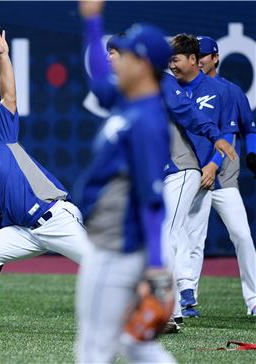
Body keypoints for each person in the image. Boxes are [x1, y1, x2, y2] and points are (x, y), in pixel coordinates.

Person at [0, 25, 90, 333]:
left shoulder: (1, 140)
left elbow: (9, 95)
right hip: (26, 233)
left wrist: (4, 56)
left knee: (99, 264)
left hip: (55, 218)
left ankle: (153, 310)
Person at [105, 34, 237, 328]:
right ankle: (166, 307)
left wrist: (215, 136)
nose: (109, 57)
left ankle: (167, 309)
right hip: (159, 176)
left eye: (114, 51)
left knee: (164, 236)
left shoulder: (156, 79)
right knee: (162, 237)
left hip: (180, 171)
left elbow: (187, 113)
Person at [76, 1, 176, 362]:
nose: (119, 61)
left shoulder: (148, 121)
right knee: (133, 344)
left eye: (128, 55)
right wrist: (91, 20)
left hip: (118, 249)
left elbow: (152, 199)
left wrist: (156, 266)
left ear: (145, 64)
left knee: (92, 350)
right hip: (113, 244)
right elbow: (99, 79)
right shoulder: (126, 101)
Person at [168, 33, 245, 318]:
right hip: (176, 168)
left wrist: (213, 163)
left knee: (194, 234)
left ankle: (186, 293)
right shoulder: (168, 85)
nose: (171, 65)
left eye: (176, 59)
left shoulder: (221, 90)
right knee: (176, 232)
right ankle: (185, 293)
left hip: (201, 171)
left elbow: (227, 129)